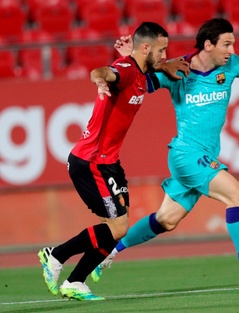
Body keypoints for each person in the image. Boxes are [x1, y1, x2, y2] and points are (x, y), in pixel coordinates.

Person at [92, 18, 239, 284]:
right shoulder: (177, 69)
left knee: (166, 220)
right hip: (186, 155)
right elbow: (136, 81)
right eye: (226, 44)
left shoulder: (234, 66)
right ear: (208, 44)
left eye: (233, 44)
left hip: (204, 156)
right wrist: (128, 59)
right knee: (238, 194)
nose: (231, 50)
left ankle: (109, 252)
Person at [37, 22, 189, 301]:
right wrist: (99, 78)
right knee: (118, 227)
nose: (165, 54)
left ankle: (75, 281)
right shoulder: (128, 71)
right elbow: (106, 72)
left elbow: (147, 70)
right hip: (90, 161)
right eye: (162, 49)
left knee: (119, 228)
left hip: (109, 162)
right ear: (145, 48)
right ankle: (56, 256)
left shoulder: (141, 74)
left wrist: (163, 66)